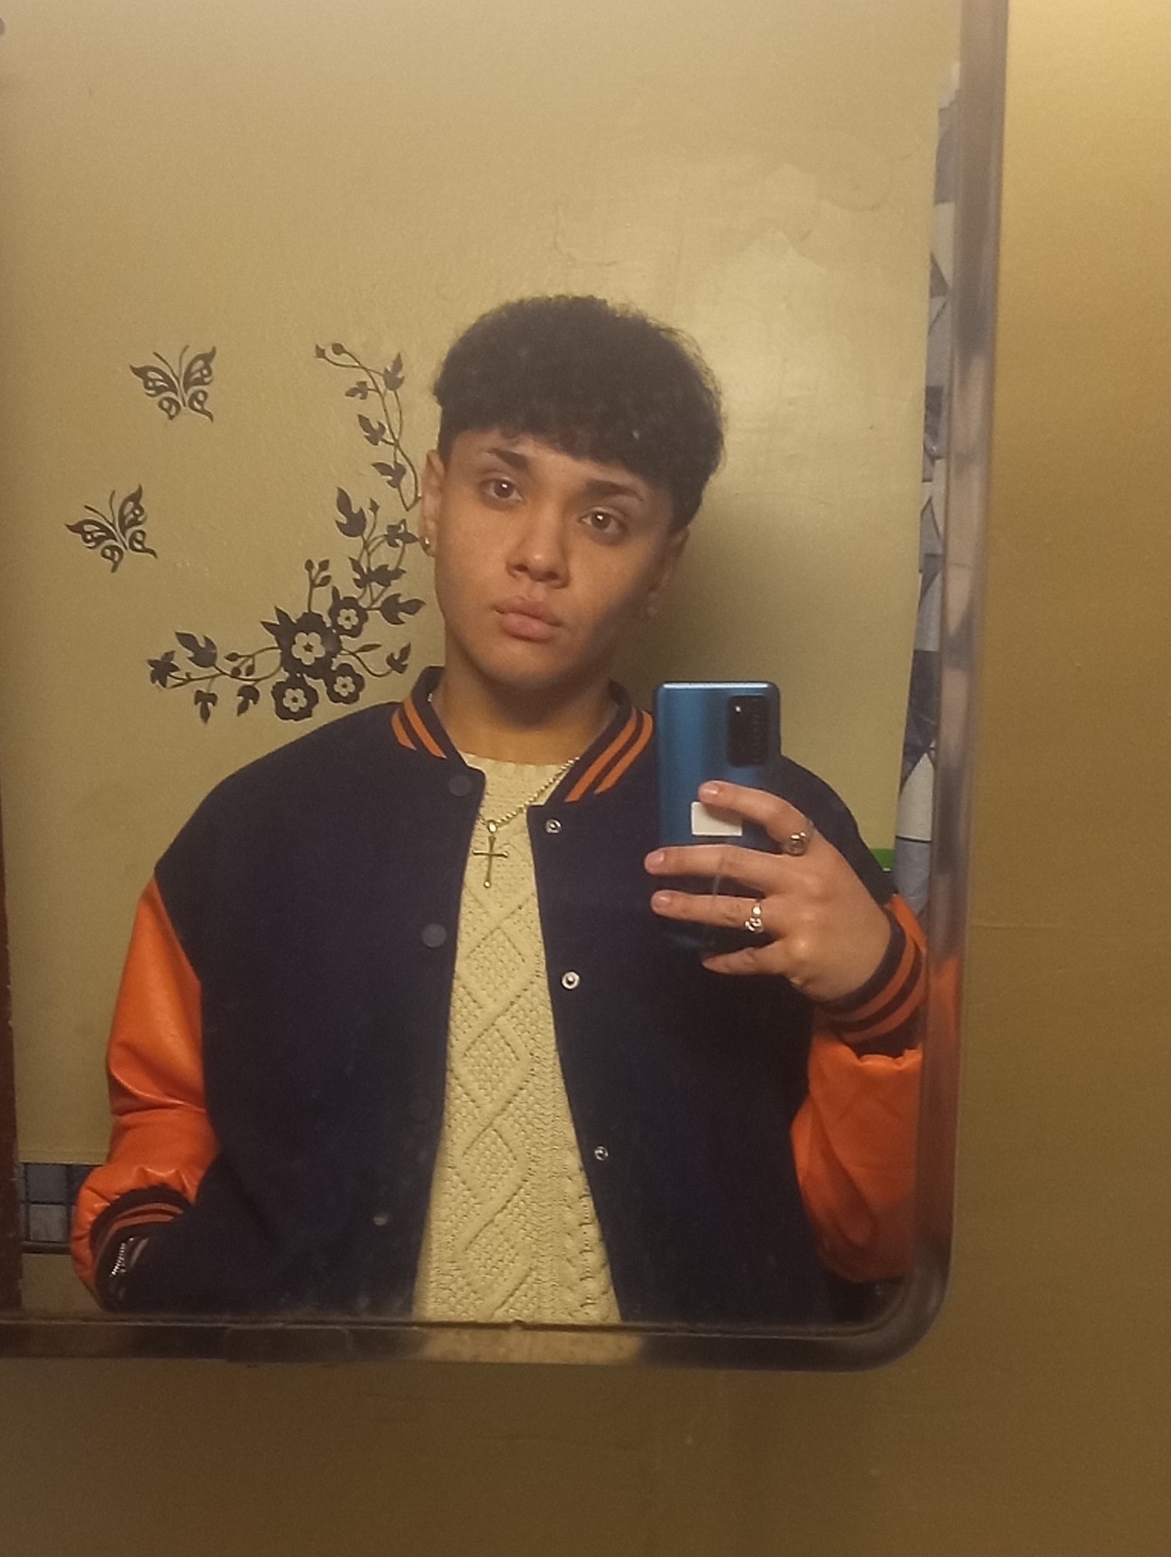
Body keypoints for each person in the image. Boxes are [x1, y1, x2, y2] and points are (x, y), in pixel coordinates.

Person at [72, 294, 925, 1326]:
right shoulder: (262, 826)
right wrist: (140, 1253)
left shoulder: (780, 833)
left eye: (605, 519)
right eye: (503, 487)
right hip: (326, 1418)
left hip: (694, 1419)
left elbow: (876, 1242)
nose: (540, 554)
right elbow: (164, 1113)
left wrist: (883, 1001)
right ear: (434, 497)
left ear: (664, 566)